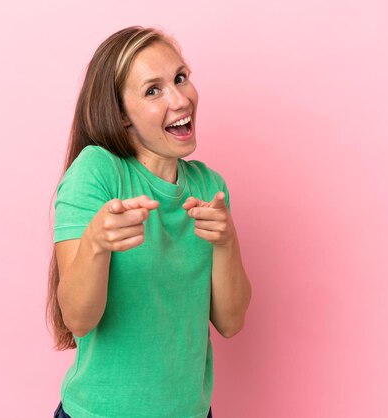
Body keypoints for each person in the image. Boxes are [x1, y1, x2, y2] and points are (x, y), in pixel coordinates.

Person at [46, 26, 252, 418]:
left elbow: (230, 322)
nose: (180, 99)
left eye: (180, 78)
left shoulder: (209, 185)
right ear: (122, 115)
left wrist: (226, 242)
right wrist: (95, 244)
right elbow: (77, 317)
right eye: (153, 90)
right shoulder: (97, 172)